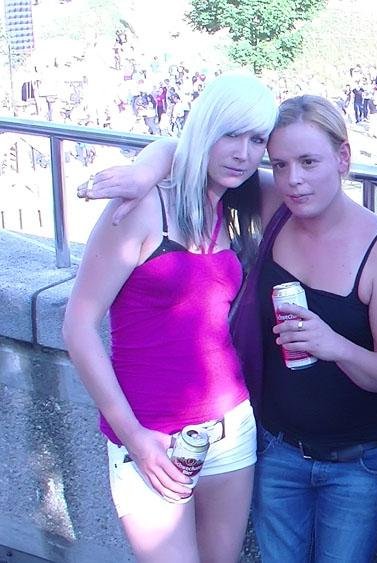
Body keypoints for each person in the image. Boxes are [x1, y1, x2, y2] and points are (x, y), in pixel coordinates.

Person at [63, 73, 277, 563]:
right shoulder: (143, 207)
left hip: (231, 428)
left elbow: (312, 183)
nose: (243, 153)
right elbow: (79, 326)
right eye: (230, 133)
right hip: (150, 435)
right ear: (205, 127)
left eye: (257, 140)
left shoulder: (230, 203)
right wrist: (134, 438)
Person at [232, 95, 377, 562]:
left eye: (309, 161)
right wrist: (143, 171)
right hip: (277, 448)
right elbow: (202, 163)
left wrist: (335, 346)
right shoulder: (277, 209)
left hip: (357, 463)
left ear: (343, 158)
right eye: (280, 164)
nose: (294, 179)